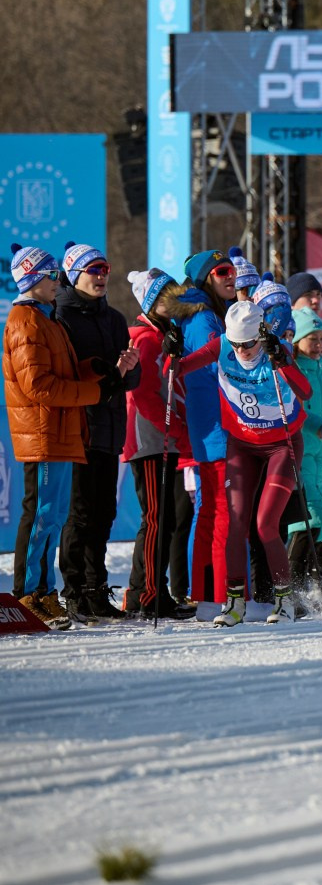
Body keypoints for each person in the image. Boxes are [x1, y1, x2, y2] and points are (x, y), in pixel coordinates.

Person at [6, 244, 116, 628]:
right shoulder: (26, 321)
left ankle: (43, 592)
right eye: (52, 276)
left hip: (60, 433)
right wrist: (94, 393)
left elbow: (62, 376)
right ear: (34, 279)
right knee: (41, 516)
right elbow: (38, 387)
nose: (58, 282)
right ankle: (28, 595)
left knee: (52, 518)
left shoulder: (46, 319)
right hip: (43, 433)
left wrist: (96, 370)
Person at [52, 242, 140, 619]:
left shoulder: (115, 319)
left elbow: (130, 379)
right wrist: (109, 372)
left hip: (110, 429)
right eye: (94, 270)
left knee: (104, 512)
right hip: (78, 428)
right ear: (74, 274)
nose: (102, 276)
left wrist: (129, 367)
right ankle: (72, 591)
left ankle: (94, 589)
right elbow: (67, 377)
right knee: (80, 513)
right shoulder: (60, 317)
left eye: (105, 269)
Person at [213, 299, 313, 625]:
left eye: (249, 343)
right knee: (236, 523)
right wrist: (172, 355)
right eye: (236, 344)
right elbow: (176, 369)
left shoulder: (277, 348)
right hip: (242, 446)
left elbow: (306, 391)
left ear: (260, 335)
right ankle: (234, 602)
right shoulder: (223, 346)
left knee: (266, 523)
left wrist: (283, 361)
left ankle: (283, 602)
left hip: (281, 445)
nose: (242, 350)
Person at [122, 268, 197, 619]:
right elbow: (144, 395)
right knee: (156, 518)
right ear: (151, 301)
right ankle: (149, 593)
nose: (173, 298)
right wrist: (174, 430)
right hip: (149, 437)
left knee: (162, 518)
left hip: (161, 436)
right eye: (164, 293)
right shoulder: (144, 336)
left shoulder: (166, 333)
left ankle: (145, 590)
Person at [175, 249, 236, 611]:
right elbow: (214, 372)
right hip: (215, 427)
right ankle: (216, 596)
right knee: (219, 511)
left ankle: (210, 596)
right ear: (205, 279)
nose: (230, 277)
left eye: (230, 270)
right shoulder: (202, 319)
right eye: (221, 271)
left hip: (214, 425)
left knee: (213, 511)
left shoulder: (211, 313)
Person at [288, 309, 322, 598]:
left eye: (321, 338)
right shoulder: (293, 368)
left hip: (320, 453)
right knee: (308, 518)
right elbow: (295, 408)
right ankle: (291, 585)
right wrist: (317, 424)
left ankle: (311, 583)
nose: (319, 344)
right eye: (312, 339)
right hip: (300, 450)